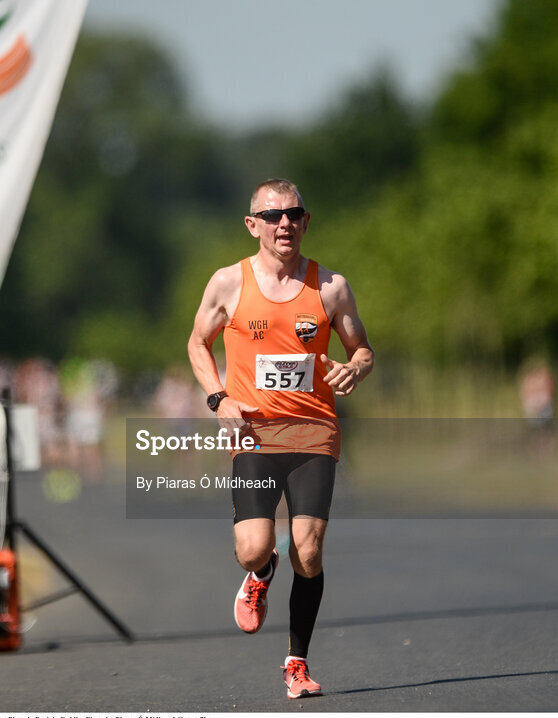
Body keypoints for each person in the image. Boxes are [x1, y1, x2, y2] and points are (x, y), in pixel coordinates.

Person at [187, 178, 374, 699]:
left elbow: (363, 350)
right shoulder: (228, 283)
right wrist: (218, 399)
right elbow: (197, 344)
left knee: (309, 553)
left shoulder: (330, 286)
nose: (284, 223)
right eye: (272, 216)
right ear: (253, 226)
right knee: (253, 548)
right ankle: (260, 572)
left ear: (306, 221)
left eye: (293, 213)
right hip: (254, 433)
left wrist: (355, 369)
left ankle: (296, 662)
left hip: (315, 431)